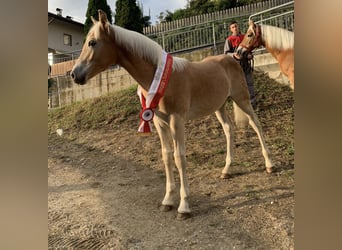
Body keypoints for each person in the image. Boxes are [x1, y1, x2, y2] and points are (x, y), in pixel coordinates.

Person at [224, 21, 257, 109]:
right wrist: (233, 55)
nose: (235, 28)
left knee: (249, 83)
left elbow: (249, 47)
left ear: (238, 27)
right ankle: (243, 105)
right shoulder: (229, 40)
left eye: (236, 26)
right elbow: (226, 53)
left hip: (246, 64)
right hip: (236, 66)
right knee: (240, 86)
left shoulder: (244, 37)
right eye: (233, 27)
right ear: (230, 29)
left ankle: (253, 103)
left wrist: (250, 55)